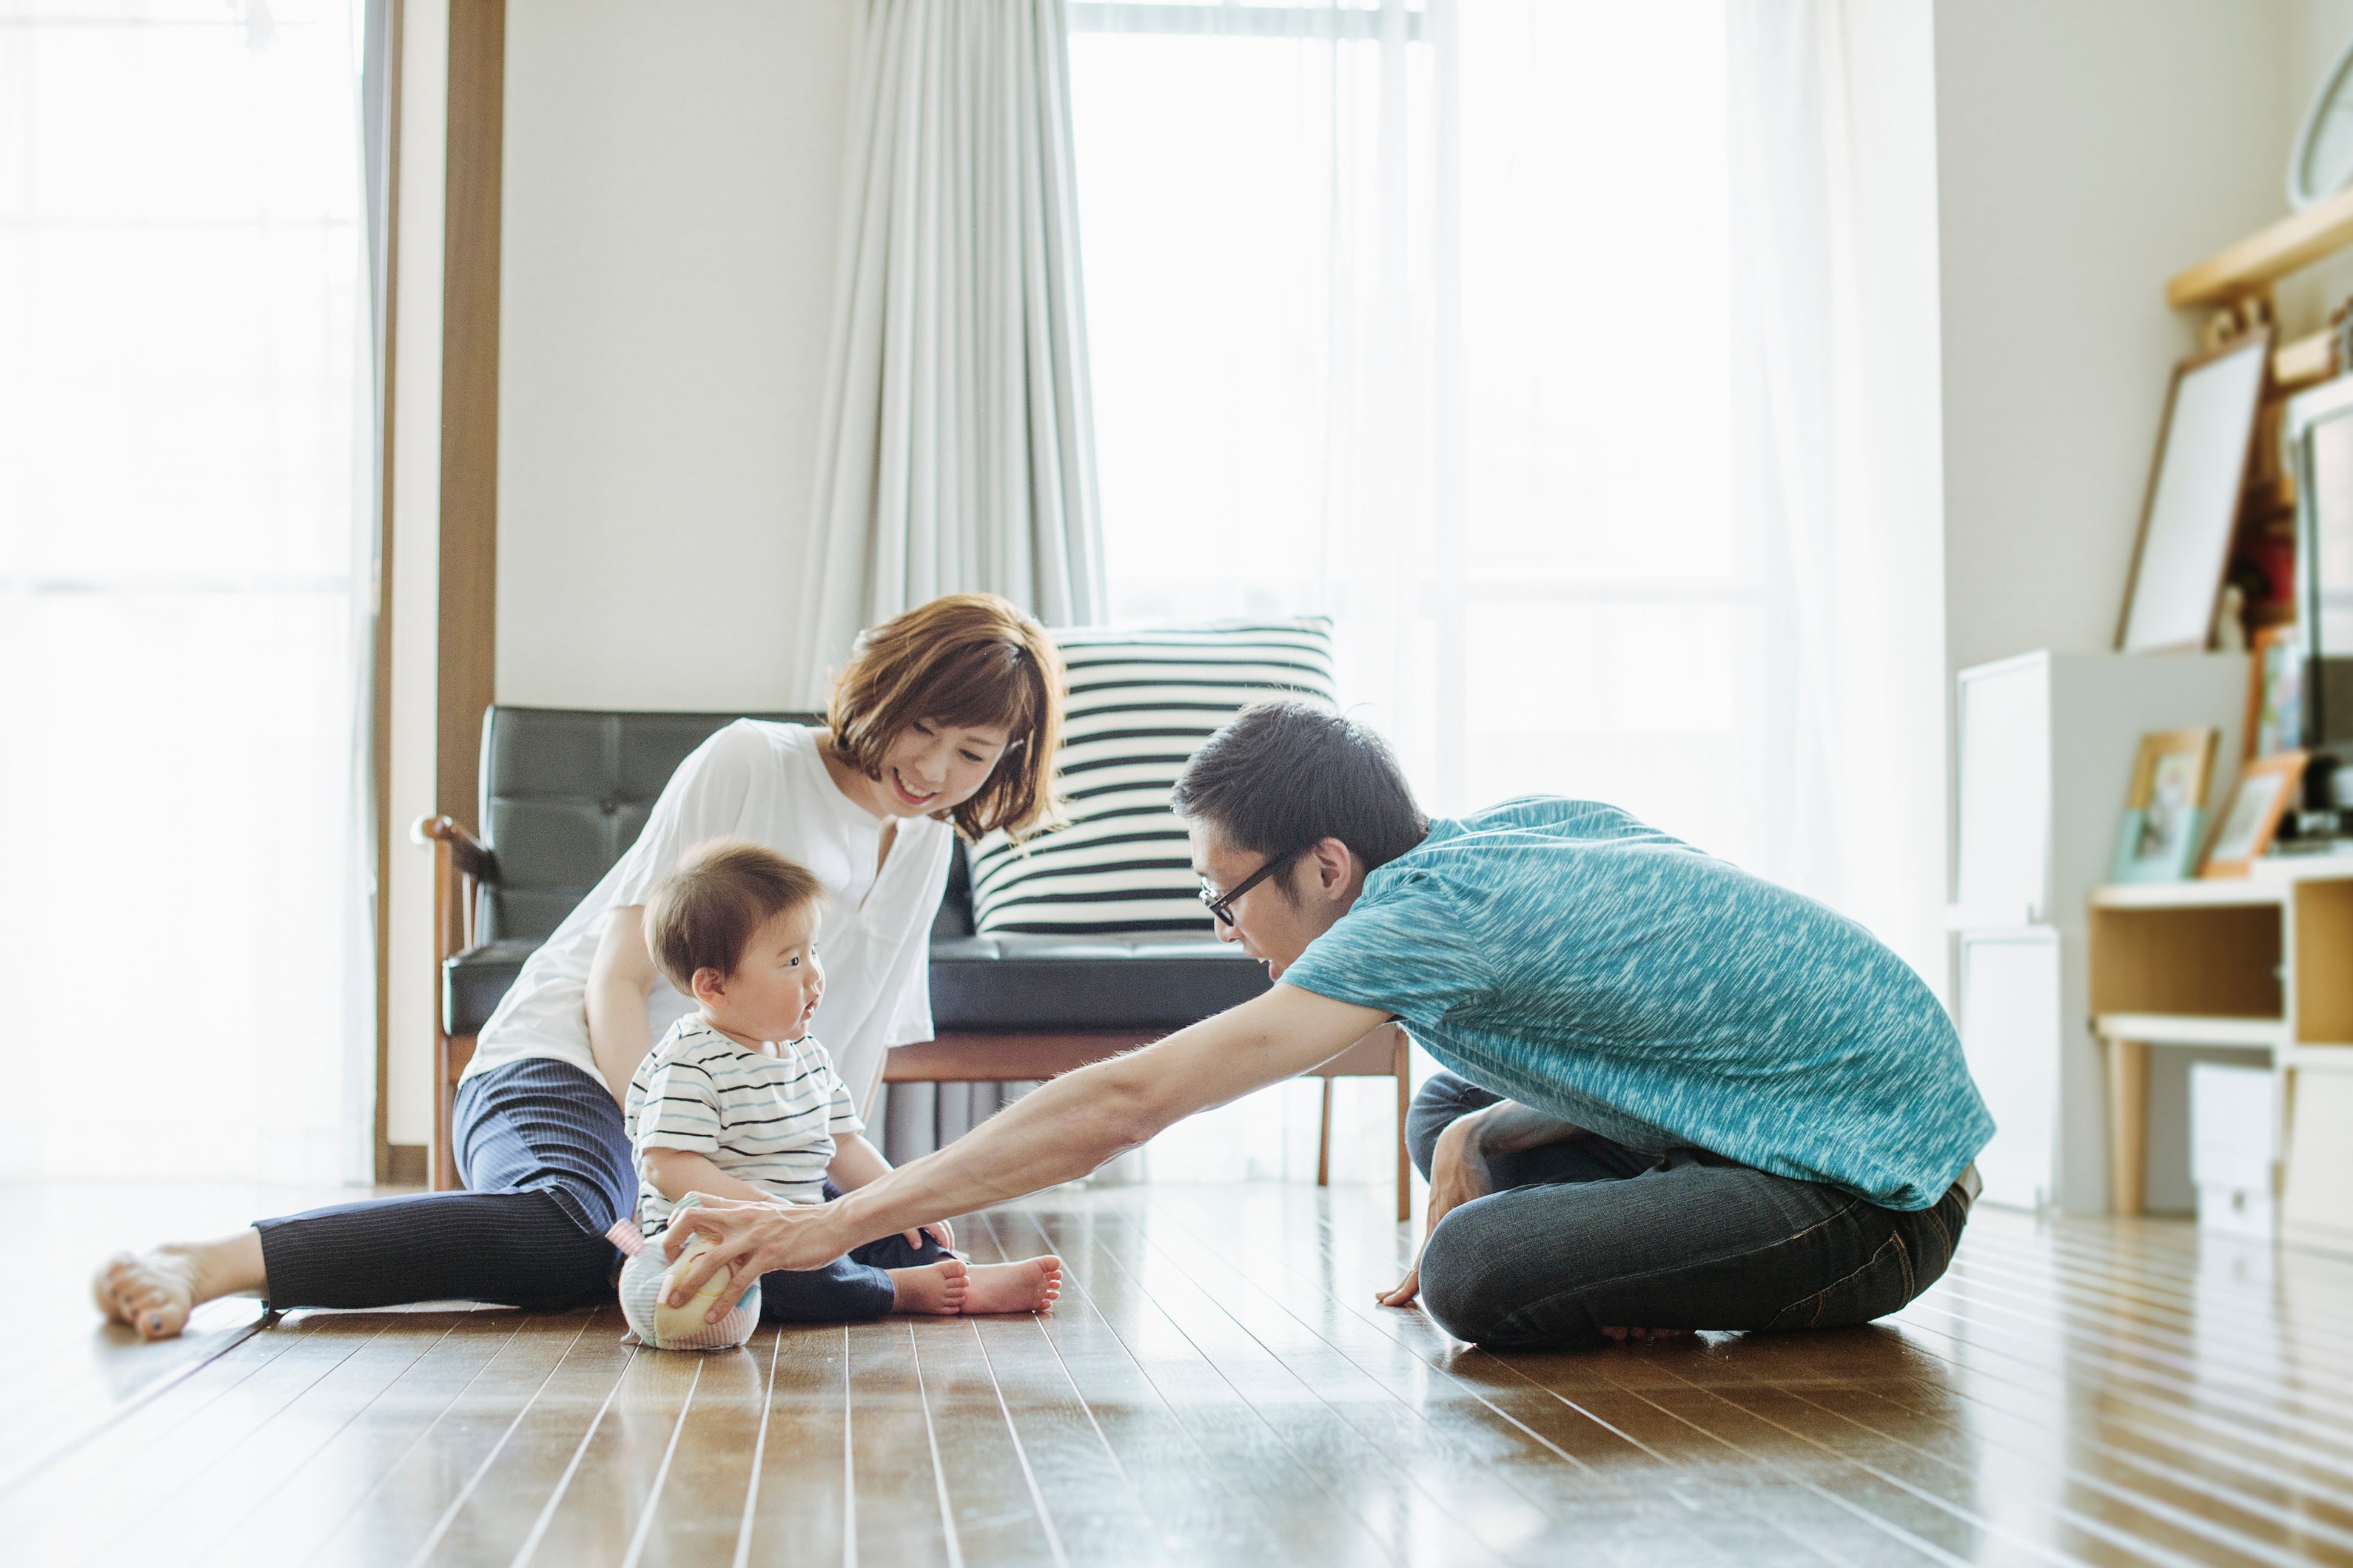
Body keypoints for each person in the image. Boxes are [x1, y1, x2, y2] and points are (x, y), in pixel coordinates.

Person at [654, 699, 1993, 1351]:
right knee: (1445, 1110)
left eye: (1224, 896)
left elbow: (1130, 1100)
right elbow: (1667, 1028)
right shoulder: (1501, 837)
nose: (1225, 929)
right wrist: (1477, 1139)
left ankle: (1649, 1254)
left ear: (1328, 865)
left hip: (1875, 1196)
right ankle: (1607, 1221)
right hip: (1819, 1115)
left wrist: (821, 1221)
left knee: (1475, 1276)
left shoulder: (1406, 925)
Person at [94, 593, 1062, 1340]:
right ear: (881, 689)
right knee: (569, 1226)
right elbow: (614, 969)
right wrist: (660, 1141)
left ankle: (671, 1247)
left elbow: (839, 1054)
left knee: (864, 1236)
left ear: (1007, 757)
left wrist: (870, 1206)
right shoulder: (754, 763)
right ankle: (219, 1259)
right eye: (921, 727)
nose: (932, 768)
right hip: (566, 1062)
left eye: (971, 750)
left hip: (708, 1124)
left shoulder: (926, 846)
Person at [614, 838, 1058, 1344]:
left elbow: (844, 1146)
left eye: (813, 953)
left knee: (887, 1221)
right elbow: (665, 1163)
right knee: (794, 1279)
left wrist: (905, 1201)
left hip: (806, 1215)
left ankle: (953, 1271)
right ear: (713, 987)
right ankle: (897, 1290)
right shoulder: (690, 1061)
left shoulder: (805, 1053)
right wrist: (764, 1210)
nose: (814, 976)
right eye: (790, 961)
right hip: (719, 1240)